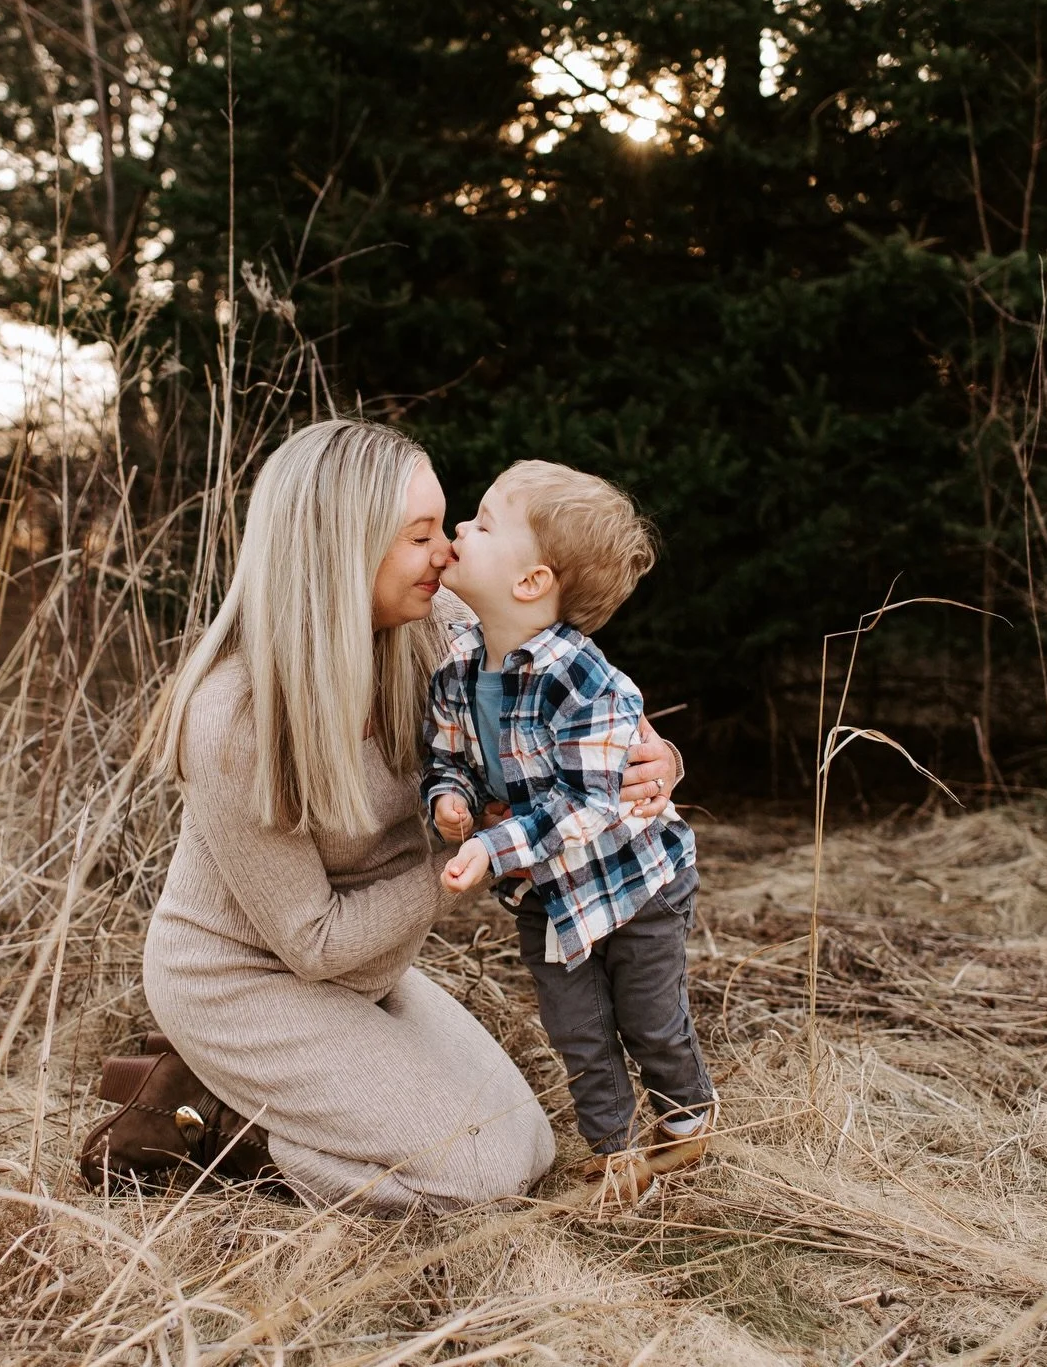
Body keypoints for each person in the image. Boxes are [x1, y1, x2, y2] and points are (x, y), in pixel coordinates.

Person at [137, 420, 682, 1214]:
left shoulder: (442, 626)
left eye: (446, 525)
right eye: (419, 535)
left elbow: (584, 694)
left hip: (373, 964)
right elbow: (315, 942)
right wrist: (480, 853)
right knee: (477, 1179)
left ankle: (286, 1103)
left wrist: (657, 760)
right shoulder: (236, 718)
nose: (447, 552)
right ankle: (223, 1125)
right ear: (340, 548)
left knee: (528, 1144)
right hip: (245, 980)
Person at [423, 460, 715, 1206]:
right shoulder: (457, 664)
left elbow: (588, 802)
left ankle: (686, 1117)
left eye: (482, 523)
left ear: (530, 582)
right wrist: (449, 802)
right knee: (578, 1033)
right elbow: (447, 758)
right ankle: (615, 1155)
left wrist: (491, 846)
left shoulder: (583, 681)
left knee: (648, 1021)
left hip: (633, 883)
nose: (461, 528)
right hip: (550, 896)